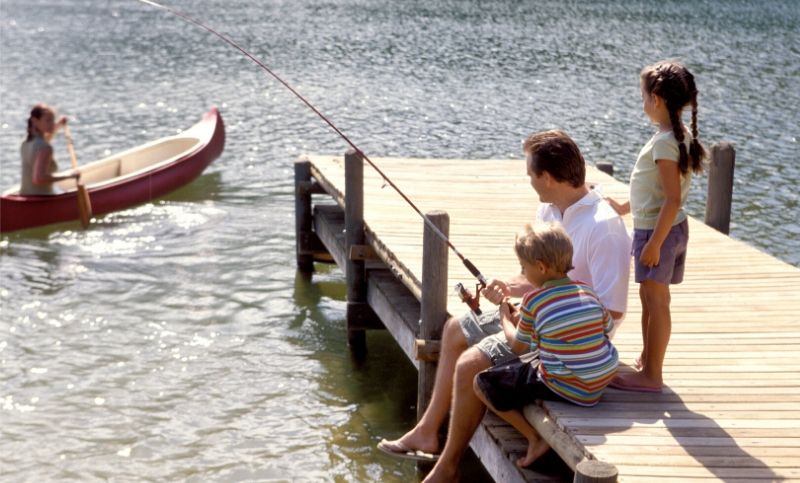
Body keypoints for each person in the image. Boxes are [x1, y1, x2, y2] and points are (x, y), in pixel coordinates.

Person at [376, 130, 631, 478]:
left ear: (546, 177)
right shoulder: (549, 208)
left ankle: (447, 468)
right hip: (536, 313)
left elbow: (612, 311)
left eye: (530, 174)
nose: (529, 181)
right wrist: (507, 288)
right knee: (455, 328)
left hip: (566, 341)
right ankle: (427, 430)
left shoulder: (605, 227)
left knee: (469, 366)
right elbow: (540, 274)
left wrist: (547, 323)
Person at [473, 221, 618, 468]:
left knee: (481, 383)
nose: (523, 273)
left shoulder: (533, 300)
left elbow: (518, 347)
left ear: (540, 267)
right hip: (600, 382)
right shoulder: (586, 290)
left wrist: (506, 319)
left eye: (524, 267)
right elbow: (608, 328)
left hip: (572, 387)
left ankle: (535, 437)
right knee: (540, 357)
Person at [605, 60, 706, 392]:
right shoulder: (675, 135)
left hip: (658, 232)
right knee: (650, 297)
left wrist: (654, 244)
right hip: (667, 228)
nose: (642, 102)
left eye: (643, 96)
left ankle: (652, 376)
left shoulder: (665, 143)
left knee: (656, 301)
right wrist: (623, 207)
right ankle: (649, 360)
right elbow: (657, 191)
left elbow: (672, 198)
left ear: (658, 99)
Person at [20, 103, 80, 195]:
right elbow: (39, 178)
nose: (52, 124)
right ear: (35, 121)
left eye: (53, 120)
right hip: (43, 198)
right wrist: (70, 175)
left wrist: (59, 125)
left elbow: (44, 141)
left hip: (26, 195)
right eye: (48, 121)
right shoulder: (45, 148)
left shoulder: (26, 143)